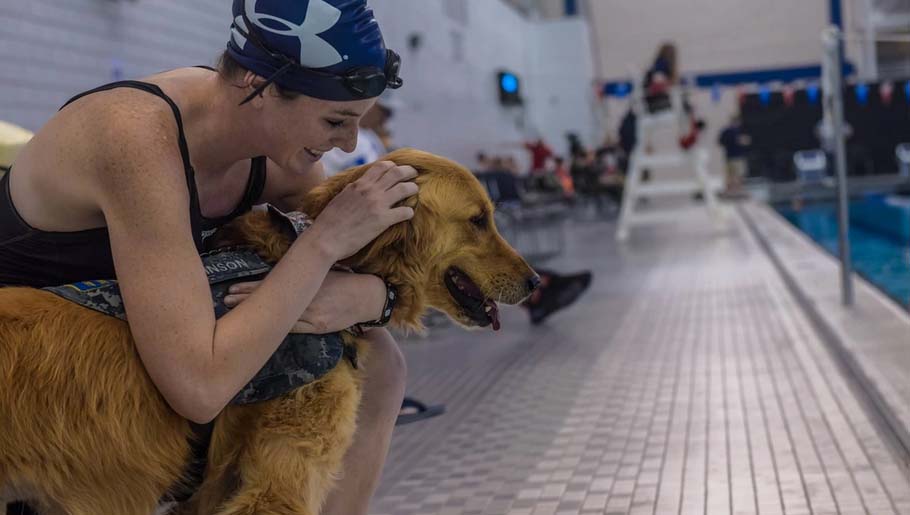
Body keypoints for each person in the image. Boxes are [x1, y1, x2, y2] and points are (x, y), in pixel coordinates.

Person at [2, 1, 414, 514]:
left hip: (124, 372)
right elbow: (198, 386)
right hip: (28, 388)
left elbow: (366, 277)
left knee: (379, 366)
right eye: (335, 120)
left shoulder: (279, 158)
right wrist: (321, 242)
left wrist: (373, 296)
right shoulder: (136, 138)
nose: (349, 142)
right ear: (258, 86)